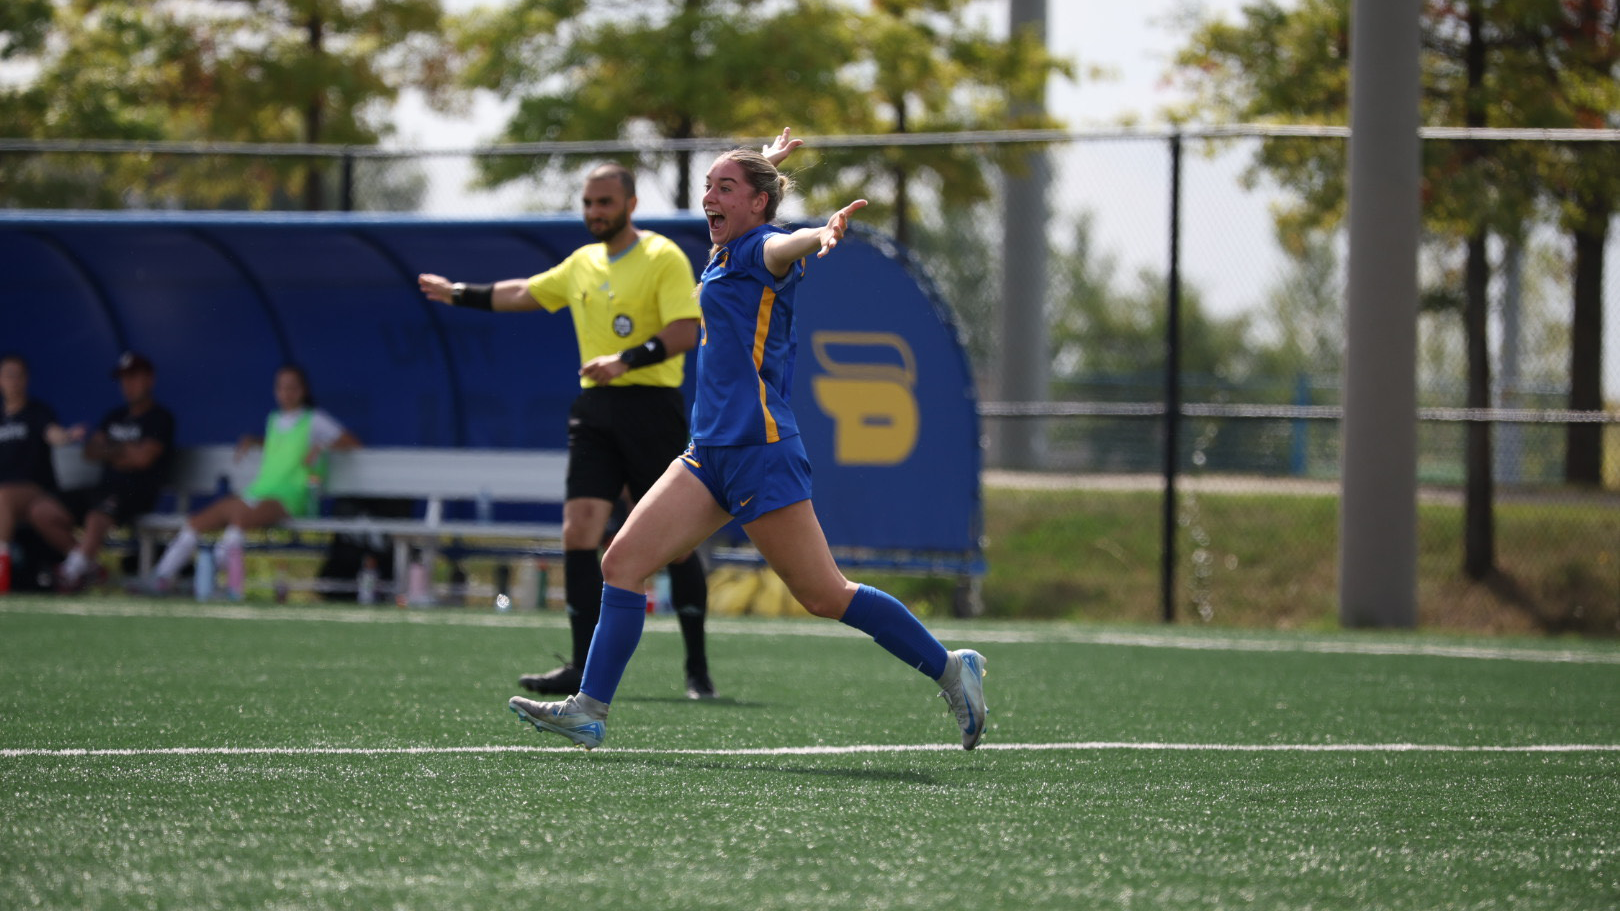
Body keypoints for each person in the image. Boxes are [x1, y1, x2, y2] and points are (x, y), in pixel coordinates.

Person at [507, 135, 988, 751]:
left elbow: (786, 242)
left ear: (759, 205)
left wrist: (822, 231)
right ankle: (589, 711)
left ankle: (953, 671)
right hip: (708, 455)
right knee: (622, 565)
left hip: (761, 452)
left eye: (723, 188)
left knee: (824, 595)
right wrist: (763, 166)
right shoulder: (730, 246)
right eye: (708, 186)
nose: (709, 196)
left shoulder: (762, 247)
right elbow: (754, 208)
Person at [417, 135, 801, 701]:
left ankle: (696, 668)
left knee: (673, 547)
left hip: (651, 405)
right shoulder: (582, 263)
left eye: (605, 202)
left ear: (630, 205)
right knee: (580, 531)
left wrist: (626, 361)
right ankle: (579, 667)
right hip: (594, 409)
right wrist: (459, 293)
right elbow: (527, 291)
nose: (595, 211)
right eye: (588, 203)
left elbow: (683, 328)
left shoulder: (662, 255)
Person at [148, 364, 360, 588]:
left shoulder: (315, 419)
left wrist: (323, 446)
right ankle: (160, 578)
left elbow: (352, 443)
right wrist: (255, 441)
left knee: (239, 522)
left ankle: (206, 583)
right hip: (260, 491)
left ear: (303, 390)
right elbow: (281, 446)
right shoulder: (274, 419)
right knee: (196, 522)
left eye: (292, 388)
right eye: (281, 387)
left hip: (291, 497)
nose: (286, 393)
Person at [57, 352, 176, 591]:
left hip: (135, 493)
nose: (127, 385)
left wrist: (111, 449)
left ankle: (71, 572)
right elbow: (89, 451)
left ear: (149, 379)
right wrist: (125, 451)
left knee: (98, 513)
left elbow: (143, 459)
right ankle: (87, 565)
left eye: (133, 377)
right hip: (102, 487)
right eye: (124, 379)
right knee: (48, 509)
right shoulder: (114, 416)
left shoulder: (159, 418)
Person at [0, 353, 84, 589]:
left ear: (26, 380)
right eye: (8, 375)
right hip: (7, 496)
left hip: (35, 489)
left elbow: (52, 433)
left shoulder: (37, 411)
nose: (13, 381)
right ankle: (85, 564)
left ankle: (1, 572)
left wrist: (65, 436)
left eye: (19, 375)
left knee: (4, 496)